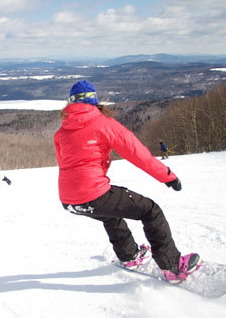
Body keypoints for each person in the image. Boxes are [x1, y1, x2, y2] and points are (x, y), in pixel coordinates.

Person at [53, 80, 201, 283]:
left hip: (69, 200)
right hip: (92, 193)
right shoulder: (104, 124)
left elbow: (63, 164)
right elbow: (138, 154)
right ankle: (173, 266)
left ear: (70, 103)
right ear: (95, 101)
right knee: (150, 211)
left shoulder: (61, 132)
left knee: (110, 215)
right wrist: (168, 176)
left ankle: (130, 256)